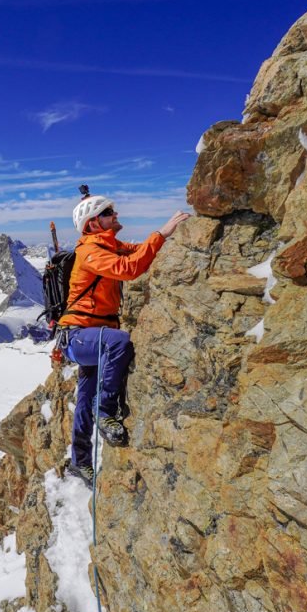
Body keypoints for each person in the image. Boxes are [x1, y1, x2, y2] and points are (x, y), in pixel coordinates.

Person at [58, 189, 190, 488]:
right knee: (118, 342)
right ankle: (106, 413)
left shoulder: (109, 245)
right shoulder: (89, 252)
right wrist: (162, 232)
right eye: (107, 213)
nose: (115, 215)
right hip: (79, 337)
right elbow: (129, 269)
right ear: (92, 224)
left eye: (112, 210)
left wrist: (162, 238)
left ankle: (80, 461)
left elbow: (137, 251)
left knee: (84, 397)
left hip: (90, 337)